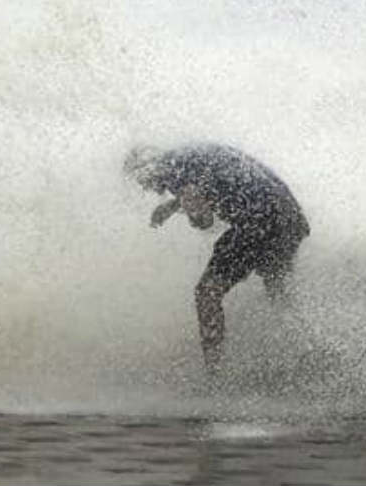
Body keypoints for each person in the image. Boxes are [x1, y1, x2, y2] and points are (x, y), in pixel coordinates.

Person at [125, 143, 310, 370]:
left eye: (141, 181)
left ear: (146, 168)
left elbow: (204, 220)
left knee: (207, 293)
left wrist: (191, 213)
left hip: (258, 221)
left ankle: (215, 375)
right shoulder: (190, 154)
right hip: (289, 217)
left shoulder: (172, 170)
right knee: (278, 293)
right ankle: (307, 352)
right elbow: (217, 179)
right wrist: (174, 205)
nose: (147, 189)